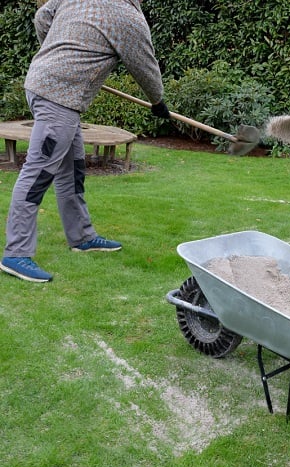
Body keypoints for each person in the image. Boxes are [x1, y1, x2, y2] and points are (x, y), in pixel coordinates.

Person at [1, 0, 170, 283]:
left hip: (50, 89)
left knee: (73, 168)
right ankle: (15, 254)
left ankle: (82, 236)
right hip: (58, 97)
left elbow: (43, 16)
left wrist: (54, 52)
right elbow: (145, 66)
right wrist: (158, 101)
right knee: (39, 172)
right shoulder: (128, 18)